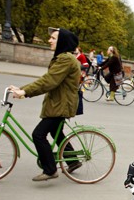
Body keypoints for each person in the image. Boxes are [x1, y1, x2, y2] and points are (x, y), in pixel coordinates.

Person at [8, 27, 81, 181]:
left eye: (53, 38)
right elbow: (47, 79)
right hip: (59, 103)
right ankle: (73, 161)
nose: (49, 40)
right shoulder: (63, 57)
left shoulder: (66, 59)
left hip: (61, 105)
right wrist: (21, 89)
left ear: (62, 41)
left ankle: (50, 170)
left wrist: (25, 92)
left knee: (38, 135)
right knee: (56, 133)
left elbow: (48, 81)